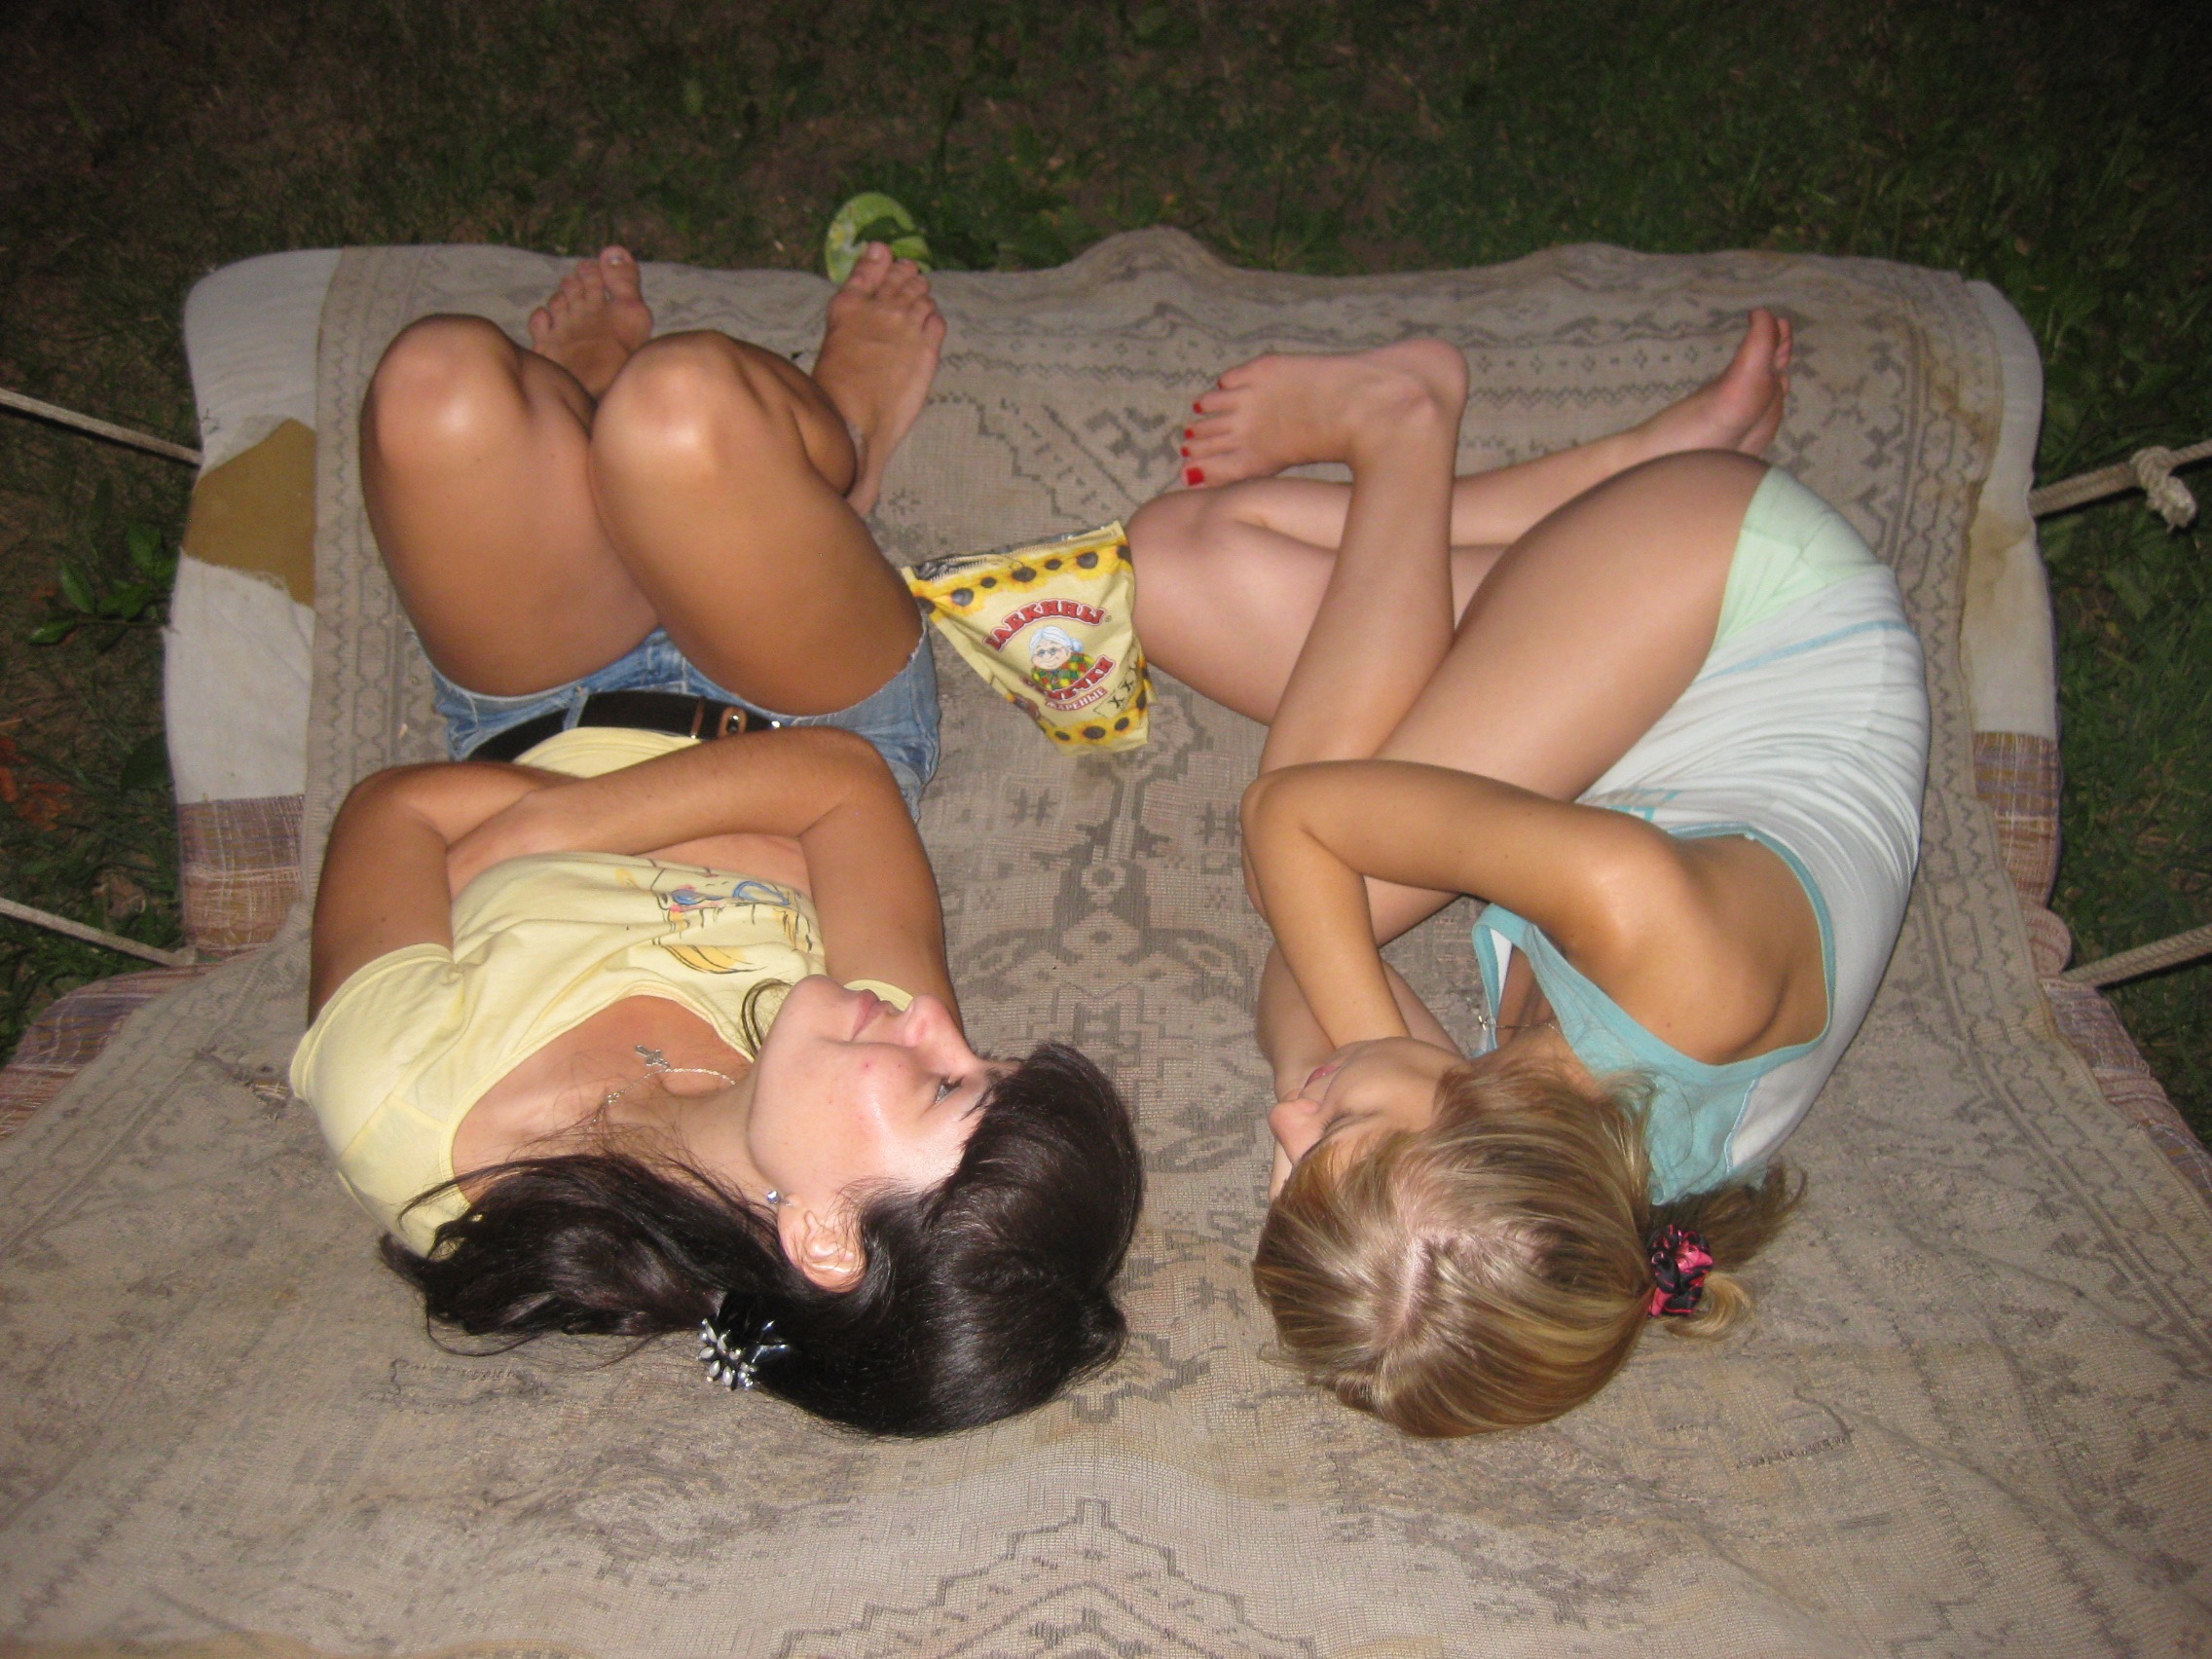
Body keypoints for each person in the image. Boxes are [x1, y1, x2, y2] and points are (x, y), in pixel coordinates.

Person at [291, 246, 1143, 1437]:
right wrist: (536, 831)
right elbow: (844, 778)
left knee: (437, 388)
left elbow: (386, 812)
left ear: (824, 1237)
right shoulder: (847, 1055)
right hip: (799, 695)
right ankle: (841, 437)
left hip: (537, 705)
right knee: (680, 405)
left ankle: (605, 457)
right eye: (978, 1058)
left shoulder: (419, 1122)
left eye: (946, 1083)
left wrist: (718, 823)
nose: (933, 1021)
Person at [1126, 313, 1928, 1436]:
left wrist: (1344, 1090)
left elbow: (1296, 976)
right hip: (1736, 591)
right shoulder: (1674, 953)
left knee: (1173, 566)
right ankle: (1405, 420)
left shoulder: (1557, 1175)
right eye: (1332, 1123)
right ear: (1484, 1116)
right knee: (1320, 885)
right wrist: (1362, 1043)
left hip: (1613, 731)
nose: (1283, 1116)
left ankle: (1614, 464)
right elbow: (1291, 820)